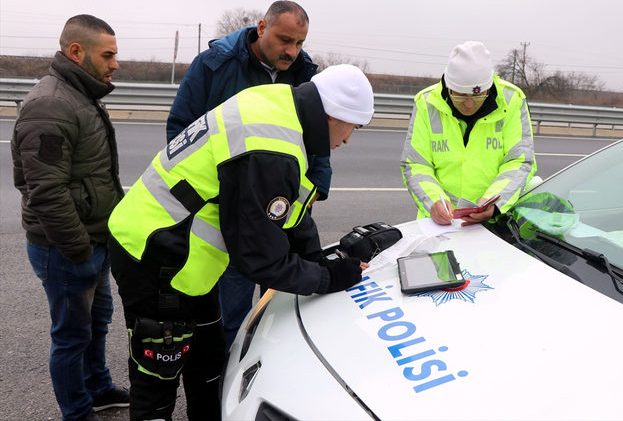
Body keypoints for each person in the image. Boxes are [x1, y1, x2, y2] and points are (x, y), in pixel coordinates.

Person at [107, 64, 374, 421]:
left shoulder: (280, 104)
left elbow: (288, 208)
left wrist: (318, 259)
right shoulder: (271, 149)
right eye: (351, 128)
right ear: (332, 116)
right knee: (157, 384)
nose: (346, 140)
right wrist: (328, 278)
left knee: (209, 364)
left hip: (186, 261)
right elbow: (260, 259)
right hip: (155, 254)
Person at [166, 0, 323, 350]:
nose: (291, 51)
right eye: (284, 40)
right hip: (232, 212)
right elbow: (181, 131)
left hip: (283, 209)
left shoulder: (303, 74)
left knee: (281, 304)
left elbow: (316, 141)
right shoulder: (214, 66)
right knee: (231, 308)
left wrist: (318, 189)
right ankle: (226, 376)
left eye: (299, 43)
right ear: (261, 27)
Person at [10, 14, 129, 421]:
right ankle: (77, 412)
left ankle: (98, 389)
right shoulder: (51, 104)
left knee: (96, 325)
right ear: (76, 52)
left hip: (92, 241)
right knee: (71, 337)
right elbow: (45, 189)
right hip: (66, 248)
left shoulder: (81, 94)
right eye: (108, 55)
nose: (115, 63)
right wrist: (78, 248)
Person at [401, 40, 537, 226]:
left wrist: (495, 202)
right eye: (460, 95)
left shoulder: (512, 100)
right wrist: (433, 201)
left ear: (488, 88)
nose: (469, 104)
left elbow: (520, 161)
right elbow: (416, 164)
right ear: (448, 87)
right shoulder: (426, 103)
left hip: (494, 222)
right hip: (440, 225)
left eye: (477, 96)